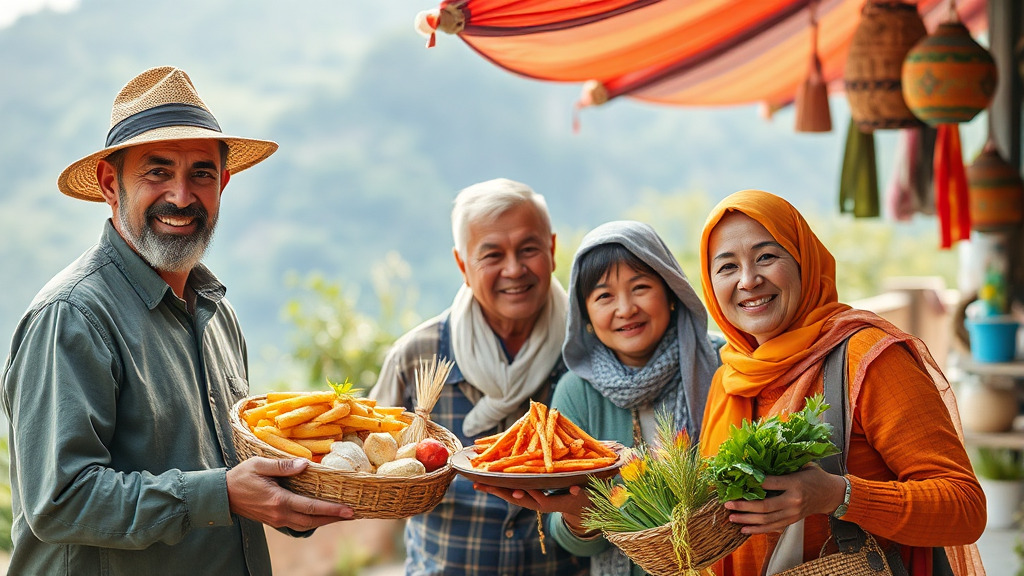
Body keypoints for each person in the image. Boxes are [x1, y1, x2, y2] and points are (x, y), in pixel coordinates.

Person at [1, 66, 354, 576]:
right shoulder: (73, 316)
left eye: (201, 174)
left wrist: (300, 493)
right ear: (109, 183)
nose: (182, 196)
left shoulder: (216, 314)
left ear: (223, 183)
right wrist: (222, 495)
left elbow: (234, 473)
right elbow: (59, 500)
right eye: (157, 172)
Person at [697, 190, 986, 575]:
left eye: (766, 256)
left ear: (803, 260)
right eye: (727, 267)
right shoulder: (729, 379)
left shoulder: (868, 358)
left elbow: (964, 508)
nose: (749, 280)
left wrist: (837, 494)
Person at [475, 220, 721, 576]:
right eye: (604, 296)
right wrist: (580, 512)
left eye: (640, 287)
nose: (625, 309)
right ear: (584, 314)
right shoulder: (576, 392)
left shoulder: (720, 363)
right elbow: (571, 540)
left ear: (671, 291)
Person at [370, 178, 587, 575]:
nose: (513, 269)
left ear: (552, 250)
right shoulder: (416, 358)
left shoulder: (588, 352)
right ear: (462, 265)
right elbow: (372, 467)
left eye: (529, 249)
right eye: (492, 254)